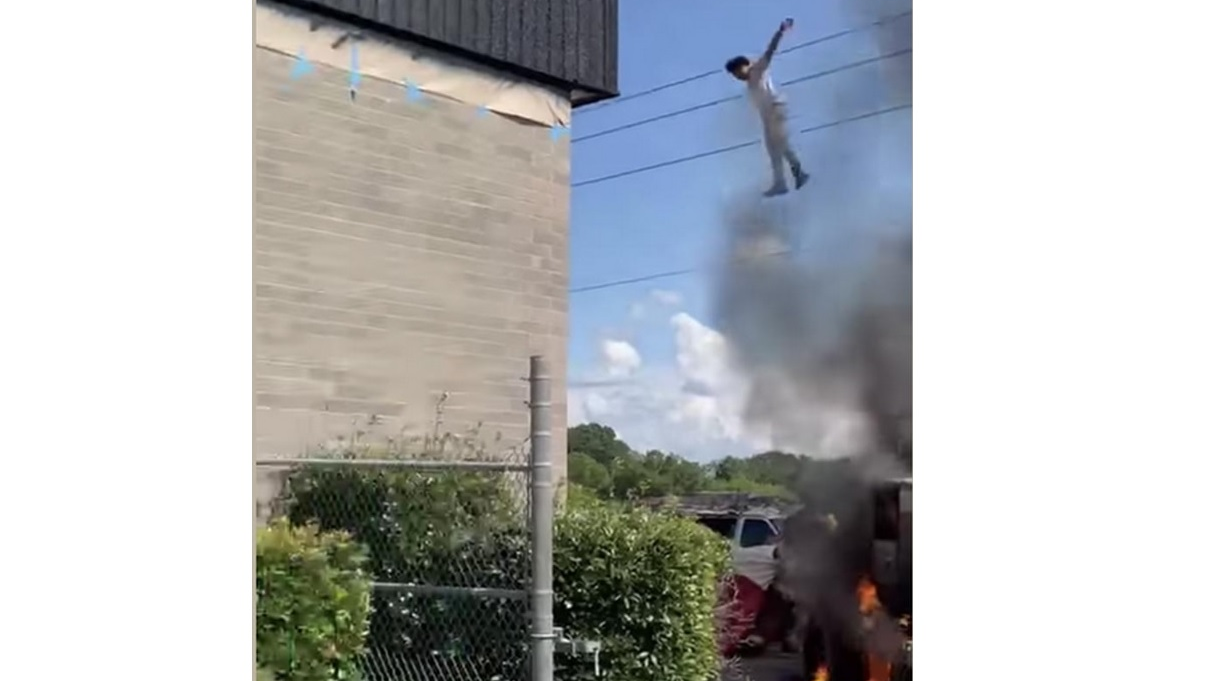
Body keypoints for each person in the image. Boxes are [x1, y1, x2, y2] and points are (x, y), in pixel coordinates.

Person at [725, 18, 811, 197]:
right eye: (734, 75)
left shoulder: (758, 69)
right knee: (775, 148)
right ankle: (788, 178)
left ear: (746, 65)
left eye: (738, 71)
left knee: (779, 143)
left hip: (775, 108)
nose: (737, 76)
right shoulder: (749, 85)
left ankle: (793, 176)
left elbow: (771, 50)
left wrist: (781, 31)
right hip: (767, 115)